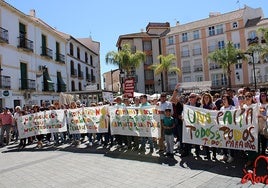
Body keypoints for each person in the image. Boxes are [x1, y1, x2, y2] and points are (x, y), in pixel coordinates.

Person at [220, 94, 236, 163]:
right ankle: (225, 155)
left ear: (228, 100)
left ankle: (231, 156)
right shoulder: (222, 108)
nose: (224, 100)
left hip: (230, 128)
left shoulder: (232, 108)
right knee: (223, 142)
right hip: (223, 128)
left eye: (225, 99)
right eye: (223, 99)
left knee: (230, 142)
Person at [201, 93, 217, 160]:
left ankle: (214, 154)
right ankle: (207, 154)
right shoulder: (202, 106)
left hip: (212, 124)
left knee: (213, 139)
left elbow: (216, 114)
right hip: (205, 125)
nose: (206, 99)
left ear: (210, 98)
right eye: (205, 98)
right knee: (206, 140)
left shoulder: (213, 105)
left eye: (207, 97)